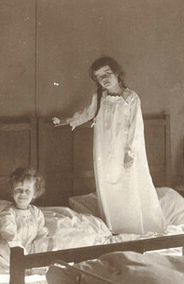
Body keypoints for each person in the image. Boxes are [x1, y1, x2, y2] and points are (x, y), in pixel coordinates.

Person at [52, 56, 165, 234]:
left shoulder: (131, 98)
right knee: (107, 187)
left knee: (127, 187)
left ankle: (134, 228)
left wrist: (130, 152)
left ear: (117, 73)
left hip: (124, 151)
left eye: (107, 73)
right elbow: (88, 114)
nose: (104, 79)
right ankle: (115, 227)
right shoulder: (100, 97)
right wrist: (67, 121)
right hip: (104, 149)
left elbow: (136, 127)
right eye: (99, 77)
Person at [0, 166, 48, 266]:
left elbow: (40, 234)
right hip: (12, 249)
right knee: (1, 246)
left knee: (47, 242)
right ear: (12, 192)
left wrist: (40, 248)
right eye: (18, 189)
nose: (23, 193)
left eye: (28, 191)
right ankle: (22, 265)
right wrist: (21, 253)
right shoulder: (8, 213)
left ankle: (35, 264)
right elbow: (9, 236)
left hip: (29, 248)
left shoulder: (36, 213)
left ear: (35, 194)